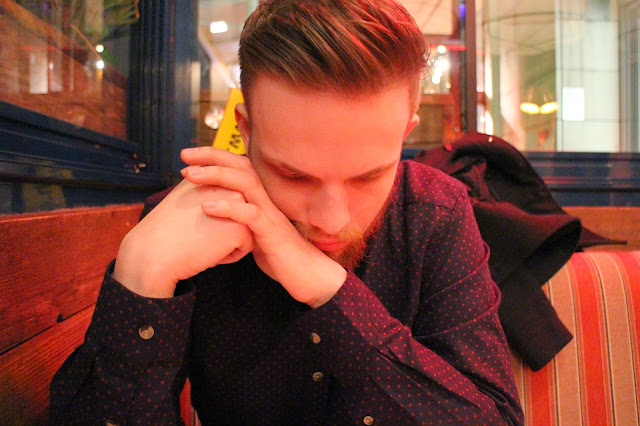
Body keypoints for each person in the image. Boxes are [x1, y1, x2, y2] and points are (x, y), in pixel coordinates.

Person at [50, 0, 524, 424]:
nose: (332, 220)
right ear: (246, 129)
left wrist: (329, 290)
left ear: (405, 133)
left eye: (368, 177)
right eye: (294, 175)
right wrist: (140, 272)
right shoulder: (188, 226)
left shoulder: (436, 214)